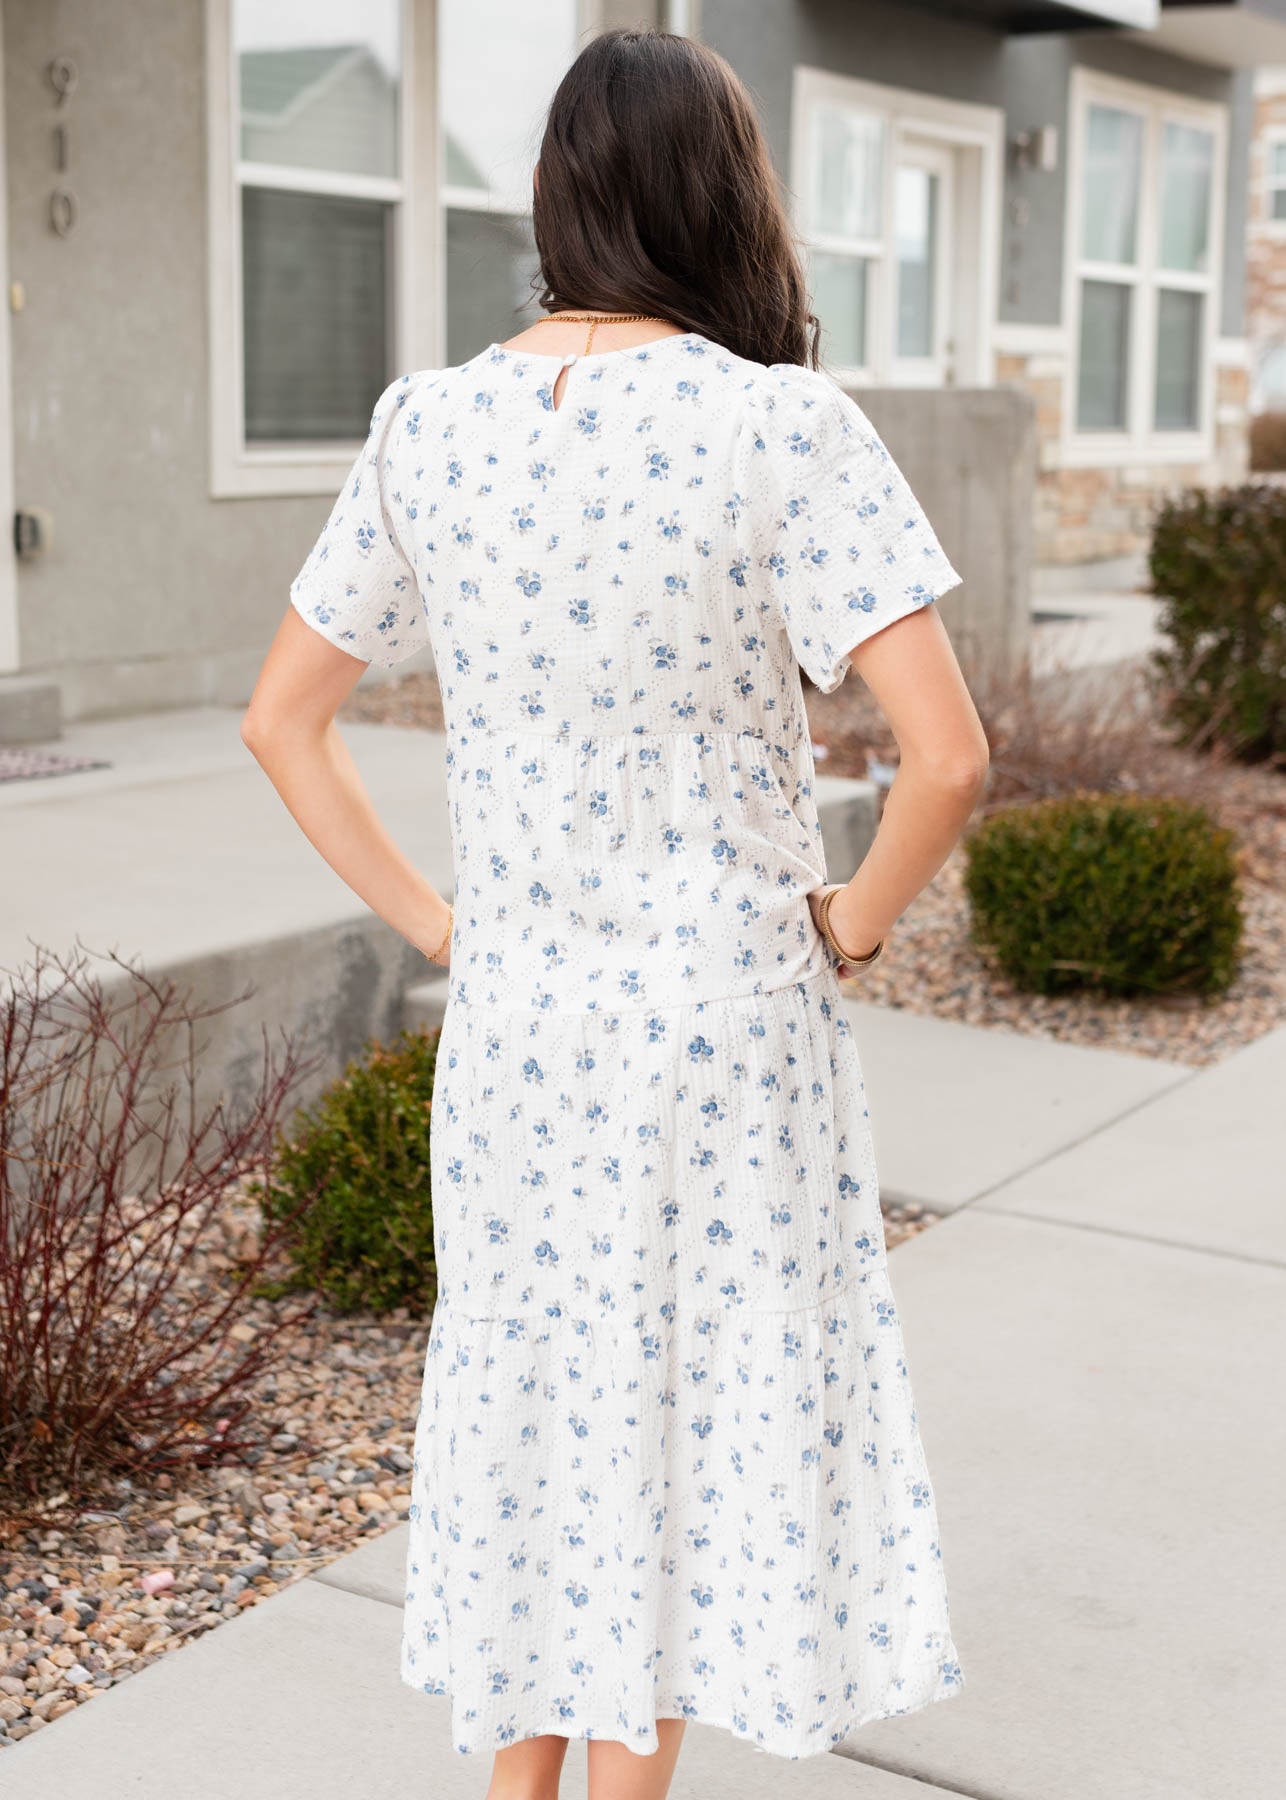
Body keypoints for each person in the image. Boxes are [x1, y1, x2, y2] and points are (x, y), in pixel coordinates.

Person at [242, 26, 987, 1800]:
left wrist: (445, 929)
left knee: (538, 1421)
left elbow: (282, 720)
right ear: (723, 196)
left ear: (555, 197)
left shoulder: (429, 421)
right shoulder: (777, 422)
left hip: (520, 1035)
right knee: (672, 1440)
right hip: (725, 1039)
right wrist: (850, 925)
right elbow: (947, 762)